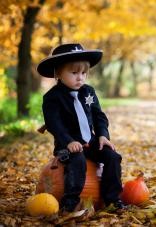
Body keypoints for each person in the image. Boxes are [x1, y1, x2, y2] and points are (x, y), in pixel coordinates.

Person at [37, 43, 125, 213]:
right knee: (77, 160)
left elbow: (99, 115)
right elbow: (54, 123)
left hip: (91, 142)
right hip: (67, 146)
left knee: (113, 157)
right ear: (58, 73)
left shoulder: (89, 92)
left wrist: (102, 135)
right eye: (74, 73)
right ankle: (70, 202)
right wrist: (68, 141)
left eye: (84, 73)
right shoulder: (52, 98)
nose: (80, 78)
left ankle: (112, 199)